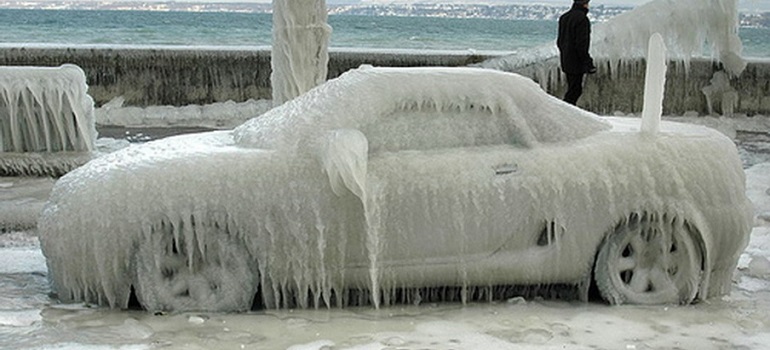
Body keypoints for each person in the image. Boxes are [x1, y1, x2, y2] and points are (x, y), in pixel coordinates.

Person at [557, 0, 597, 106]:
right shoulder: (582, 19)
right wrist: (588, 62)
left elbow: (559, 41)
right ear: (585, 4)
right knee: (575, 90)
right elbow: (581, 44)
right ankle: (565, 112)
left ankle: (566, 111)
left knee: (572, 88)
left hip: (565, 58)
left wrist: (564, 53)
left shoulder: (564, 17)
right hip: (576, 61)